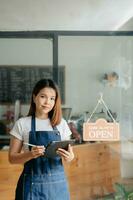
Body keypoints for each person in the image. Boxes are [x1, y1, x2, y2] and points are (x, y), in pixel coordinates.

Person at [8, 78, 74, 200]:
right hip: (31, 186)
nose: (47, 102)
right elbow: (12, 158)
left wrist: (69, 157)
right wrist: (30, 154)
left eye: (52, 98)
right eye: (43, 96)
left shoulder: (62, 124)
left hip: (57, 186)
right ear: (34, 97)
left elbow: (70, 157)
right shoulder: (22, 124)